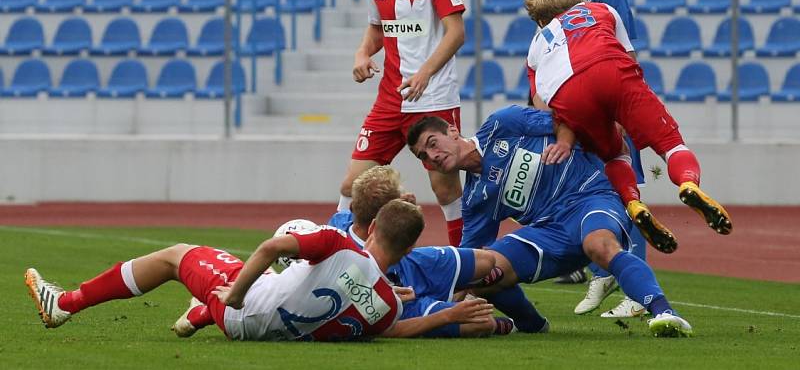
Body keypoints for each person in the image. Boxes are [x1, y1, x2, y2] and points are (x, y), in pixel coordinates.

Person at [25, 200, 496, 341]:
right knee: (279, 275)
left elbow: (271, 246)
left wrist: (233, 295)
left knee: (176, 255)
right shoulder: (389, 301)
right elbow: (387, 331)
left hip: (240, 312)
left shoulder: (337, 240)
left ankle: (64, 304)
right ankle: (198, 313)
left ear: (370, 227)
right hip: (271, 327)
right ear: (411, 245)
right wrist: (446, 317)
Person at [407, 105, 694, 337]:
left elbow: (565, 120)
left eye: (433, 143)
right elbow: (465, 262)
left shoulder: (503, 124)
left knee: (599, 245)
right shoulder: (475, 199)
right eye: (425, 156)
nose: (433, 156)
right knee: (481, 274)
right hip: (548, 232)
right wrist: (434, 306)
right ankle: (532, 325)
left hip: (590, 195)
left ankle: (665, 313)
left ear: (453, 131)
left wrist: (568, 142)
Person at [524, 0, 732, 249]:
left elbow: (545, 108)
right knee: (670, 144)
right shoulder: (602, 9)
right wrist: (624, 110)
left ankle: (632, 202)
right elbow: (629, 58)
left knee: (614, 154)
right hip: (611, 67)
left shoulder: (536, 45)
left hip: (568, 94)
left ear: (542, 20)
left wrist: (566, 138)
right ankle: (688, 184)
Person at [337, 0, 467, 247]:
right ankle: (334, 257)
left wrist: (425, 73)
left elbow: (456, 32)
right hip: (391, 99)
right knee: (352, 186)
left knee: (446, 190)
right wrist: (362, 54)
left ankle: (464, 269)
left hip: (433, 97)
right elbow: (378, 29)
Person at [541, 0, 648, 318]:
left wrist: (623, 111)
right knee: (584, 193)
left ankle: (637, 294)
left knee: (627, 193)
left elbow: (627, 53)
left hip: (610, 108)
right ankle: (600, 274)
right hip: (575, 113)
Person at [331, 165, 516, 337]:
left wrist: (405, 209)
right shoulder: (354, 268)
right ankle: (459, 299)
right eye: (400, 200)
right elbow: (382, 328)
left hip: (414, 264)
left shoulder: (340, 223)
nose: (408, 196)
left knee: (487, 261)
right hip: (404, 302)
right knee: (483, 323)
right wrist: (448, 315)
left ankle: (457, 290)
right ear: (382, 219)